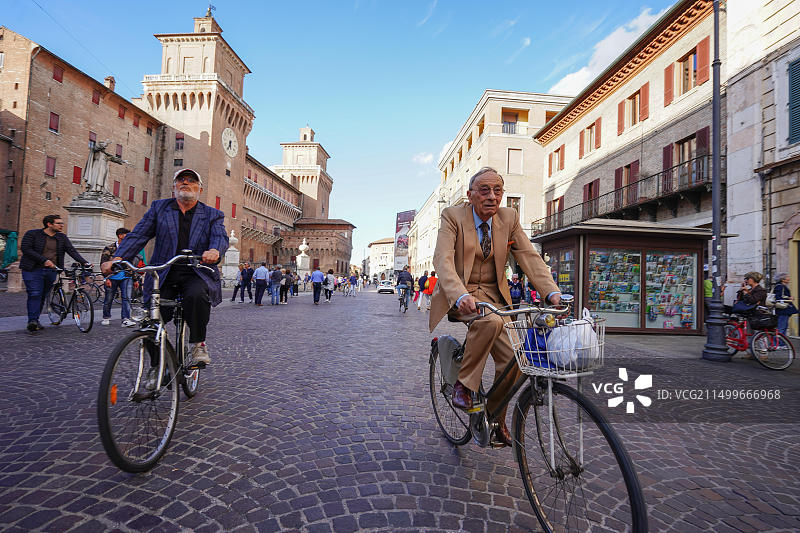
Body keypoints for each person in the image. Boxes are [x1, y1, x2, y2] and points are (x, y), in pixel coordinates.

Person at [431, 167, 560, 447]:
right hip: (462, 294)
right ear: (470, 195)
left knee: (517, 360)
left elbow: (529, 257)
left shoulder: (509, 218)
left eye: (497, 191)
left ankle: (493, 416)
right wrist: (459, 293)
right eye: (484, 190)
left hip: (496, 297)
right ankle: (464, 386)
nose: (492, 197)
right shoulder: (453, 216)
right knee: (489, 320)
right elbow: (443, 260)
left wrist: (552, 293)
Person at [101, 168, 228, 365]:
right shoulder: (159, 208)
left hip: (196, 271)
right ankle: (158, 369)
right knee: (151, 324)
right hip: (163, 272)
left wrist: (214, 250)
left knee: (196, 296)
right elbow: (139, 235)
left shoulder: (212, 215)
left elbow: (220, 236)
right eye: (181, 180)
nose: (186, 183)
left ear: (199, 189)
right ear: (174, 187)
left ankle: (197, 344)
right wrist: (118, 258)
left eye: (191, 180)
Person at [20, 214, 91, 332]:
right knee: (34, 293)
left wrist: (84, 262)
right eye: (59, 223)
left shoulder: (61, 237)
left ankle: (35, 319)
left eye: (62, 223)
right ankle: (32, 321)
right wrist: (44, 260)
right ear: (49, 224)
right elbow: (26, 249)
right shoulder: (32, 234)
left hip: (51, 270)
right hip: (33, 269)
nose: (62, 225)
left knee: (42, 294)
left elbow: (71, 251)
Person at [101, 227, 136, 327]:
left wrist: (135, 279)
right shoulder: (109, 248)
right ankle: (106, 317)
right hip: (112, 277)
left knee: (127, 298)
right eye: (126, 235)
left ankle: (126, 319)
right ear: (120, 236)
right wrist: (106, 278)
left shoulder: (129, 248)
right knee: (109, 298)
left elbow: (132, 264)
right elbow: (103, 263)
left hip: (126, 276)